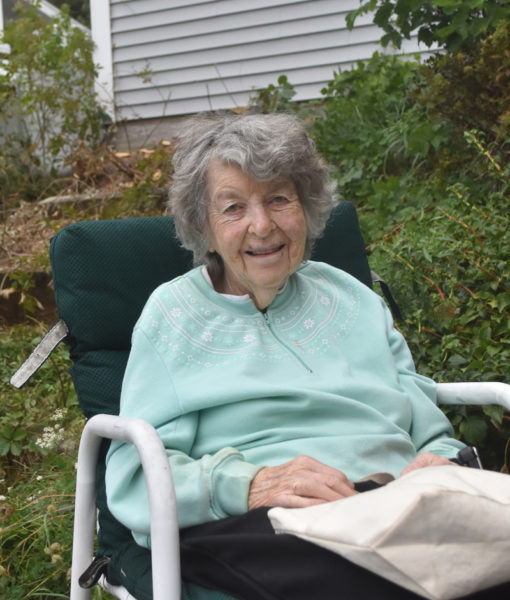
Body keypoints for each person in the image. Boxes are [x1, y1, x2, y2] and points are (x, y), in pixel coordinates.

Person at [105, 113, 473, 600]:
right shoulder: (172, 316)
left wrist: (441, 463)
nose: (262, 226)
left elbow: (431, 433)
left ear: (307, 207)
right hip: (270, 530)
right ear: (205, 227)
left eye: (279, 199)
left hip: (401, 511)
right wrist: (249, 483)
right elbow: (134, 477)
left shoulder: (355, 298)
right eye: (233, 207)